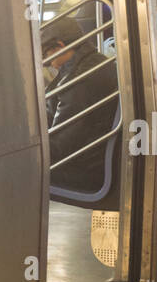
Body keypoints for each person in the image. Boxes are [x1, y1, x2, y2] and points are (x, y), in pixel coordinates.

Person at [41, 14, 119, 201]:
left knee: (17, 171)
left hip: (84, 169)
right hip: (92, 160)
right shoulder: (95, 62)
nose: (48, 63)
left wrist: (28, 155)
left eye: (46, 55)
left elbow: (61, 145)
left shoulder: (79, 81)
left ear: (60, 46)